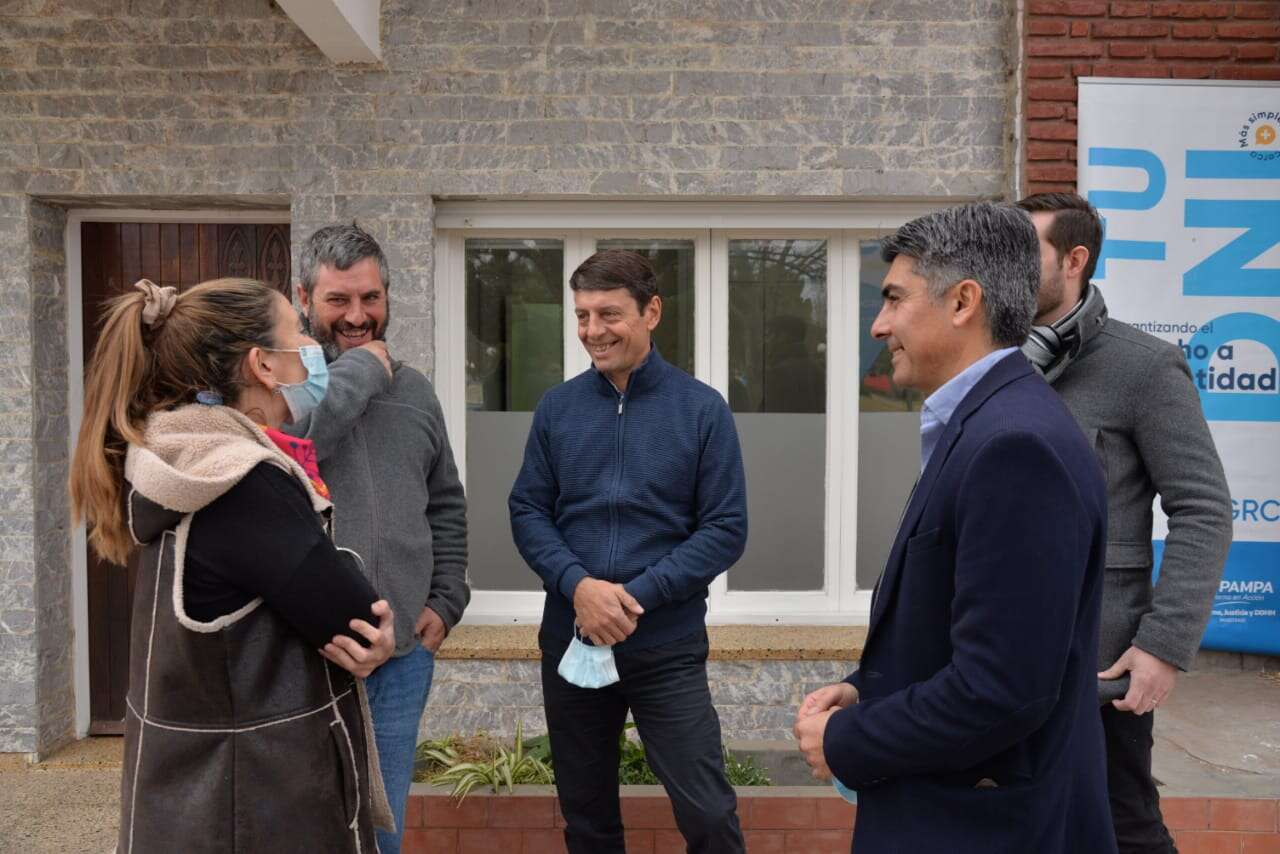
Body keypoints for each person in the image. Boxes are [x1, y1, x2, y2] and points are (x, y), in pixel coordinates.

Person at [793, 203, 1116, 853]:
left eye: (894, 298)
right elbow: (962, 633)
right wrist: (867, 692)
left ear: (964, 301)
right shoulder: (989, 424)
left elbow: (1002, 689)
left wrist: (849, 740)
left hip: (983, 829)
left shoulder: (1015, 445)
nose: (879, 325)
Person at [69, 277, 396, 852]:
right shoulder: (242, 481)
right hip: (256, 806)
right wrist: (378, 629)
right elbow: (356, 622)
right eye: (296, 332)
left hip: (197, 806)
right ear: (262, 365)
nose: (310, 347)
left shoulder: (178, 460)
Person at [509, 249, 747, 854]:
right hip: (574, 640)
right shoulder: (557, 409)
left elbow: (725, 528)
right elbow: (528, 511)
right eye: (582, 315)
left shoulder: (702, 410)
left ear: (652, 312)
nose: (593, 330)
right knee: (588, 821)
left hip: (666, 647)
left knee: (709, 814)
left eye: (609, 314)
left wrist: (631, 598)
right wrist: (580, 588)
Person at [1016, 192, 1232, 853]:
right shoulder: (990, 359)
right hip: (993, 654)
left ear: (1074, 259)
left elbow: (1203, 507)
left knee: (1124, 830)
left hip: (1098, 666)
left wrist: (1163, 646)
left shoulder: (1142, 366)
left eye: (1024, 251)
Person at [281, 223, 470, 854]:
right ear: (303, 298)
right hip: (303, 659)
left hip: (401, 659)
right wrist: (361, 372)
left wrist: (447, 599)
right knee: (305, 830)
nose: (358, 316)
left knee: (383, 834)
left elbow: (445, 502)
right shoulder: (278, 390)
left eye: (371, 298)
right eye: (338, 300)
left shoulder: (415, 391)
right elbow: (294, 455)